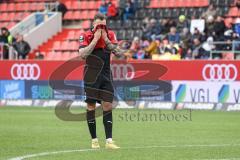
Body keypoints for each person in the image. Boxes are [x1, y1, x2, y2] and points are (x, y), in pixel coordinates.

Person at [78, 13, 123, 149]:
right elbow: (82, 54)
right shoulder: (85, 35)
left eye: (104, 25)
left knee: (108, 105)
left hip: (105, 75)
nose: (102, 28)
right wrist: (95, 40)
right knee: (91, 106)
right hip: (91, 76)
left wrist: (106, 40)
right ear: (93, 24)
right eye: (99, 25)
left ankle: (109, 141)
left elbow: (119, 53)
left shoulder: (110, 35)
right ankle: (94, 140)